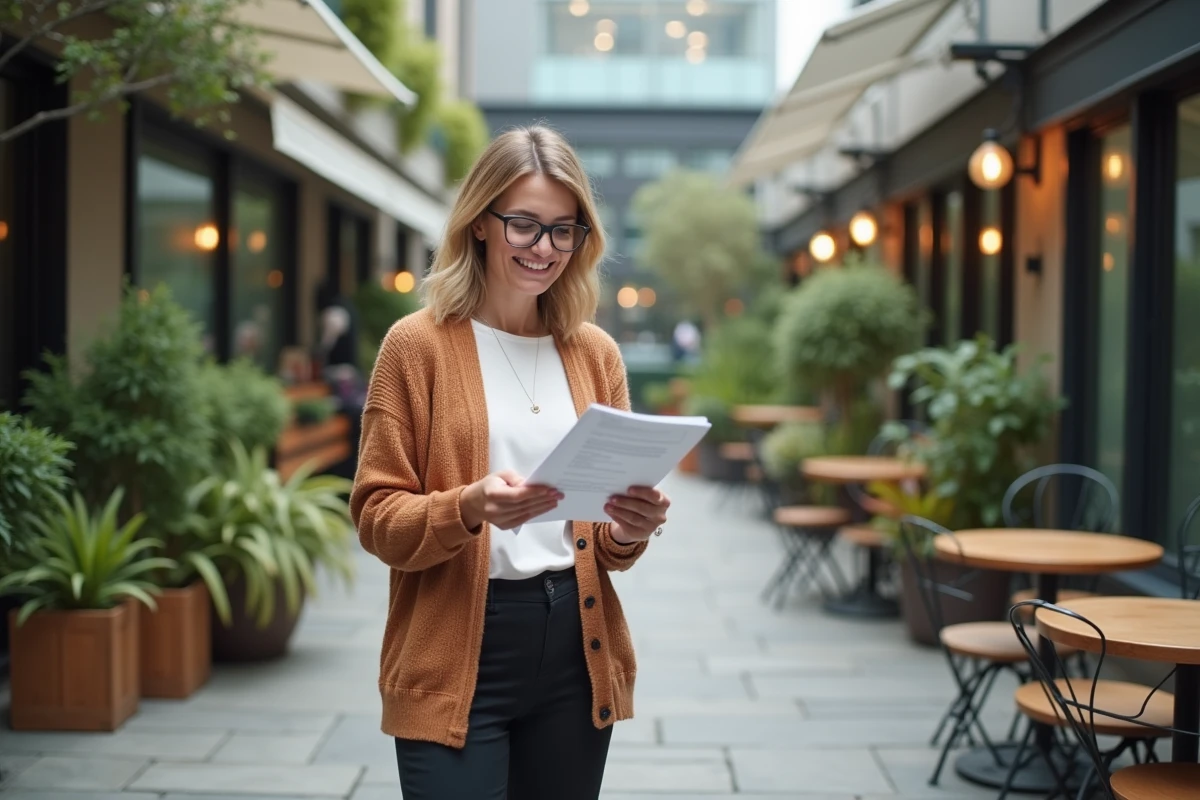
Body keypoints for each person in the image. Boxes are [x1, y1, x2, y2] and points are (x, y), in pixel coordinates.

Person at [349, 125, 671, 800]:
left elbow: (605, 546)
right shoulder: (415, 347)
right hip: (456, 649)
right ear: (480, 224)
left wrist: (630, 528)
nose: (545, 248)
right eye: (525, 224)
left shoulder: (596, 354)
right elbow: (376, 519)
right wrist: (468, 507)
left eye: (565, 230)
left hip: (573, 650)